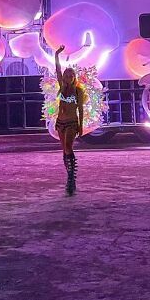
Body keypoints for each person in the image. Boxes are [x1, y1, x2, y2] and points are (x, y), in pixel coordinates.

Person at [54, 45, 84, 195]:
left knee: (68, 148)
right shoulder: (62, 87)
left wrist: (81, 125)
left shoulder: (78, 91)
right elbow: (57, 69)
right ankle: (70, 178)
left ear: (74, 78)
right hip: (60, 122)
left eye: (71, 76)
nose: (68, 78)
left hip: (72, 122)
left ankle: (71, 178)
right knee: (64, 151)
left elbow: (81, 109)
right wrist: (57, 54)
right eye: (66, 76)